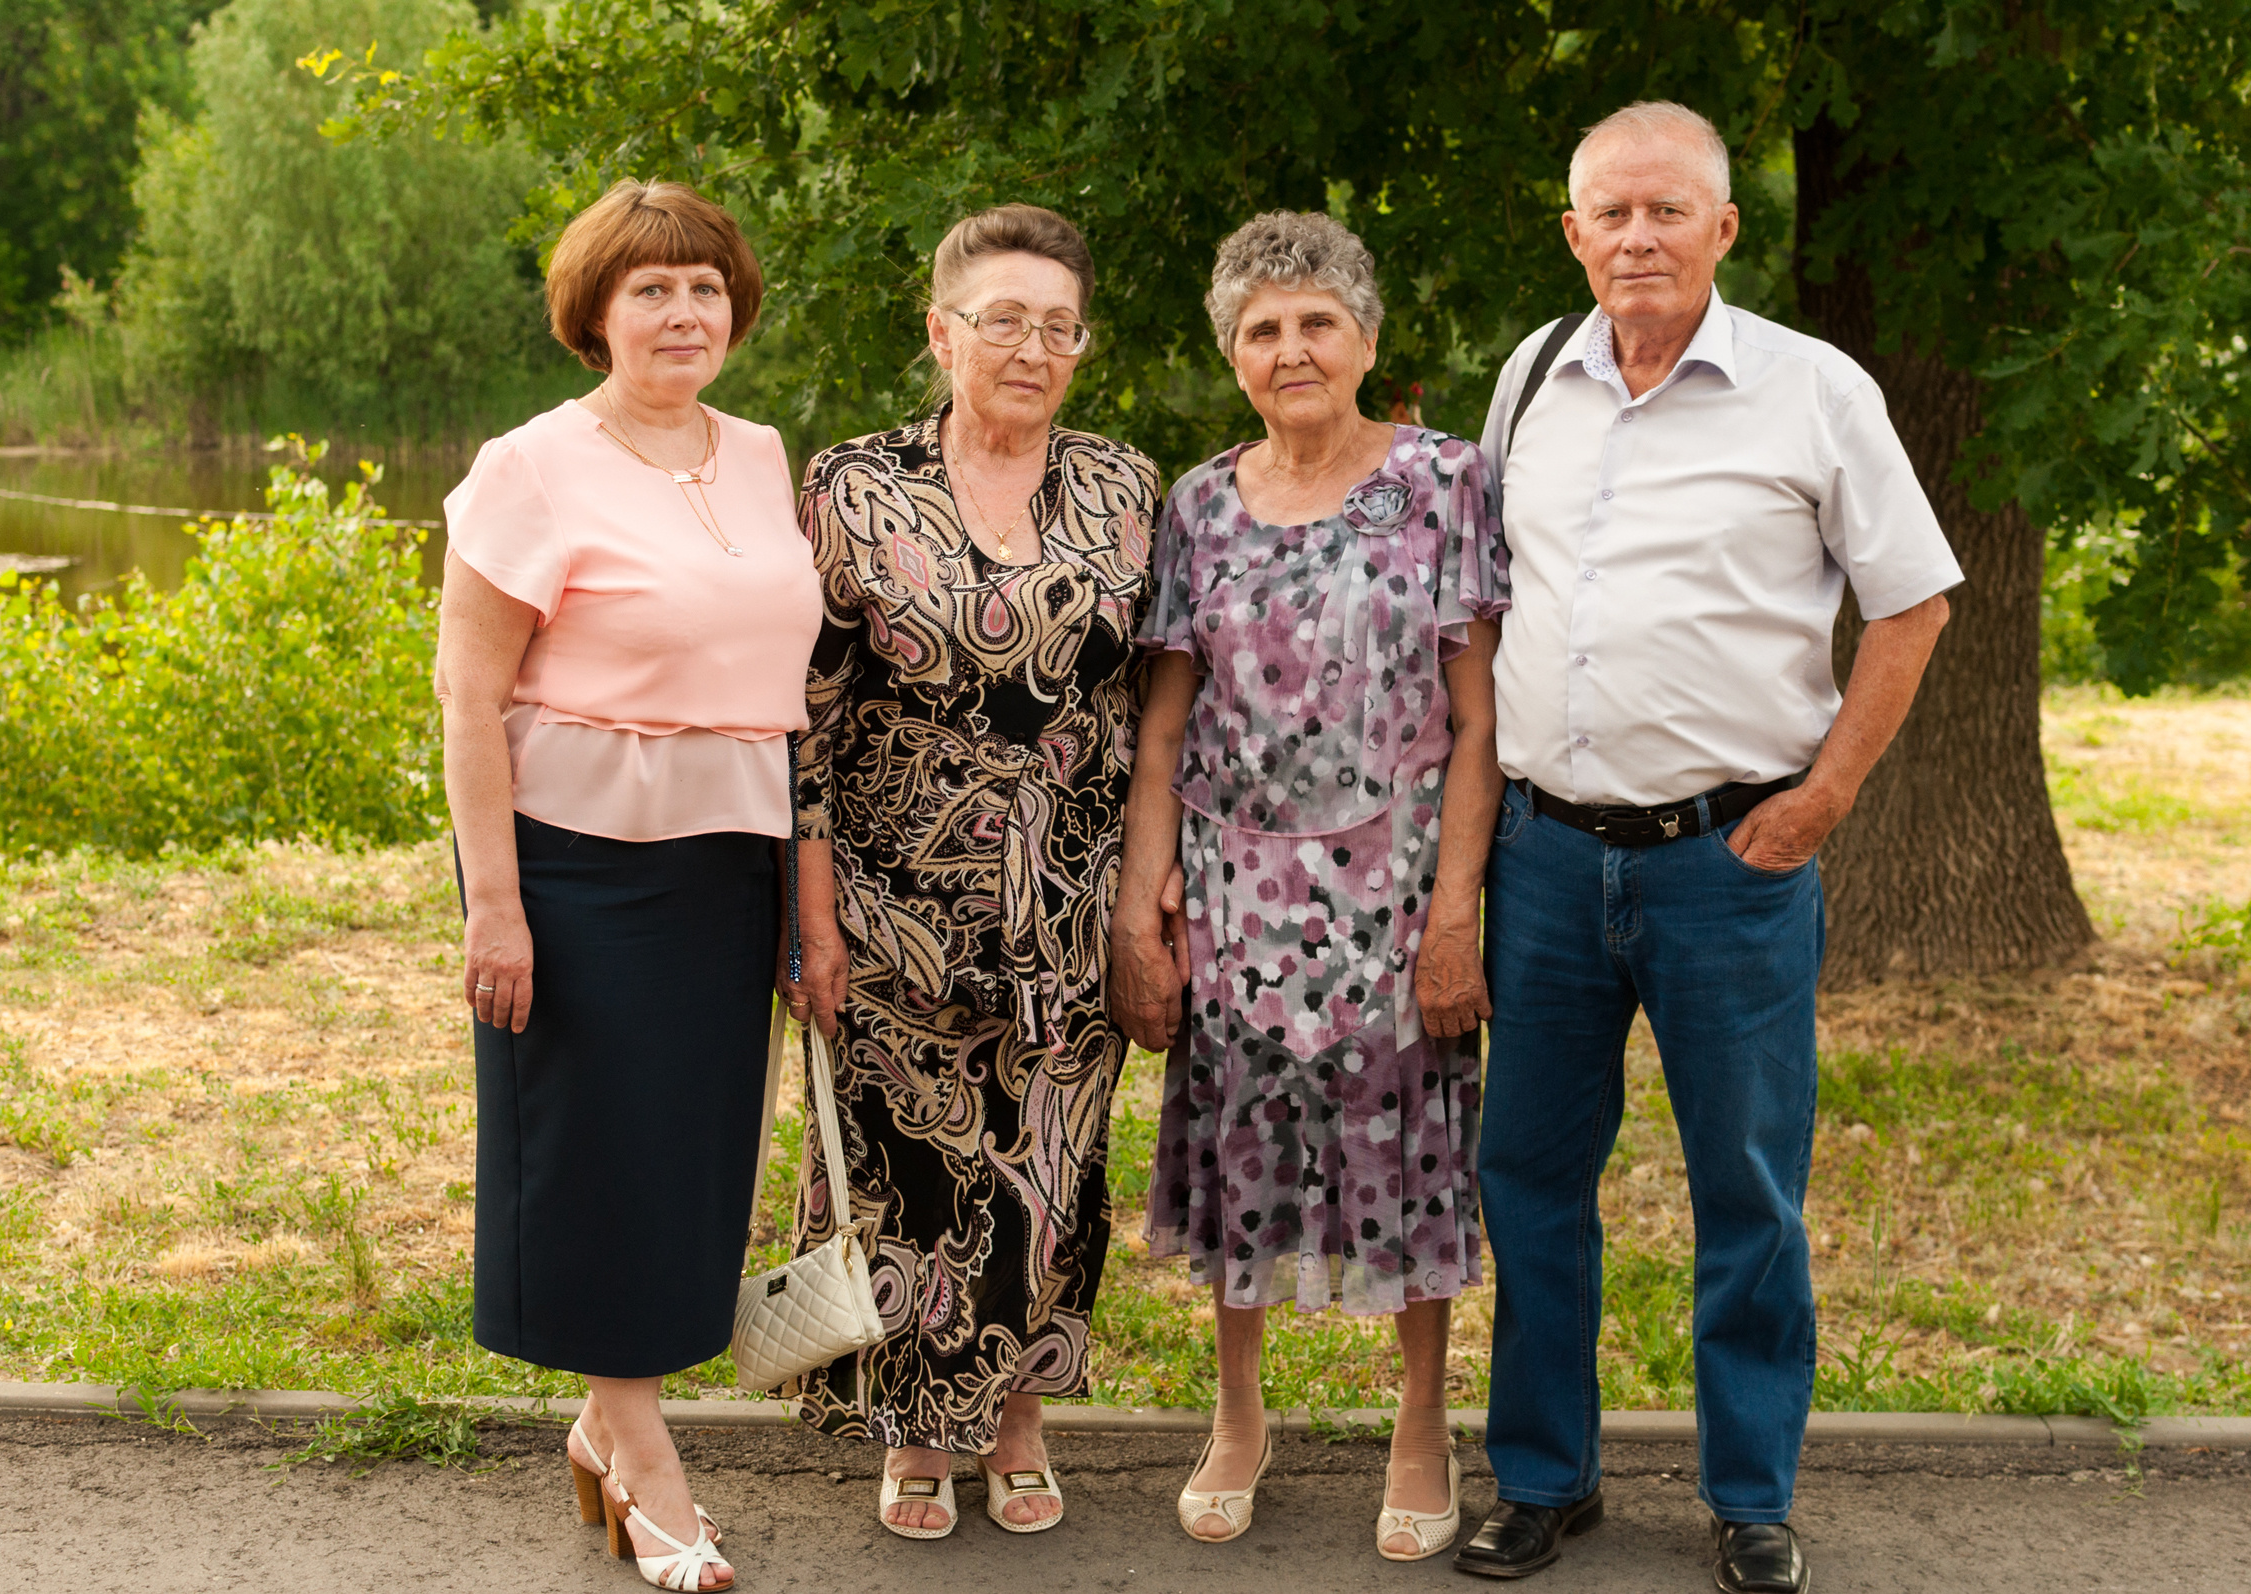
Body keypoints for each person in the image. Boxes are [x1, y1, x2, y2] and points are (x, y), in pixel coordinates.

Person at [1450, 103, 1960, 1594]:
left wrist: (1825, 799)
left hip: (1728, 864)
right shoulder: (1531, 376)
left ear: (1725, 228)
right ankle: (1546, 1477)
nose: (1637, 237)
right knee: (1529, 1175)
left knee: (1749, 1186)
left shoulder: (1815, 391)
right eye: (1609, 213)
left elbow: (1913, 602)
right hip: (1544, 861)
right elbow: (1487, 610)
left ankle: (1751, 1493)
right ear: (1572, 233)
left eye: (1668, 210)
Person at [437, 178, 822, 1593]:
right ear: (595, 311)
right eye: (651, 288)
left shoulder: (764, 453)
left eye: (705, 286)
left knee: (688, 1158)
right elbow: (466, 697)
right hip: (574, 859)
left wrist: (798, 893)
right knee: (597, 1155)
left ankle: (603, 1430)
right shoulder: (529, 466)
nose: (683, 311)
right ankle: (652, 1464)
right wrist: (495, 900)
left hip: (732, 855)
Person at [1109, 211, 1510, 1562]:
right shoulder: (1197, 503)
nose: (1291, 349)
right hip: (1234, 890)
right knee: (1239, 1149)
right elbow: (1163, 723)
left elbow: (1480, 720)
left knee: (1411, 1150)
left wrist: (1457, 908)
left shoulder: (1448, 481)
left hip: (1396, 887)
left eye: (1316, 322)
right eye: (1262, 328)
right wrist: (1143, 893)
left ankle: (1420, 1422)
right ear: (1233, 353)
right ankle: (1236, 1415)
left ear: (1365, 339)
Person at [776, 204, 1165, 1540]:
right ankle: (913, 1434)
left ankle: (1017, 1415)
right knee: (907, 1175)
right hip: (894, 903)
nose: (1031, 346)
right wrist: (812, 918)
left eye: (1058, 325)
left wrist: (1142, 901)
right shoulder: (852, 485)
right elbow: (806, 719)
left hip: (1068, 895)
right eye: (1002, 319)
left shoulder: (1125, 486)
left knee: (1046, 1173)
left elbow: (1144, 708)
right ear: (942, 332)